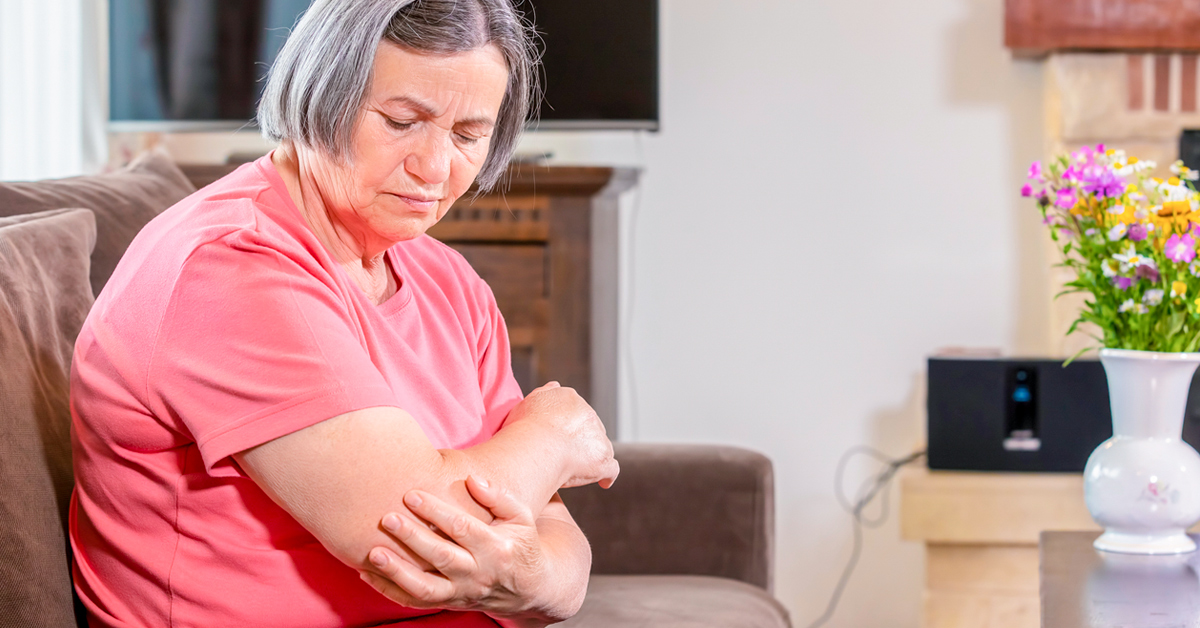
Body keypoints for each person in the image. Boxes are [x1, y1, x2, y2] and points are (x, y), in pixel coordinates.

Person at [68, 1, 619, 626]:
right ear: (321, 95)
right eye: (402, 122)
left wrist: (544, 583)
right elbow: (418, 541)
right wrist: (553, 436)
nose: (435, 168)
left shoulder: (448, 279)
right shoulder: (227, 267)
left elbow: (547, 529)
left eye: (468, 135)